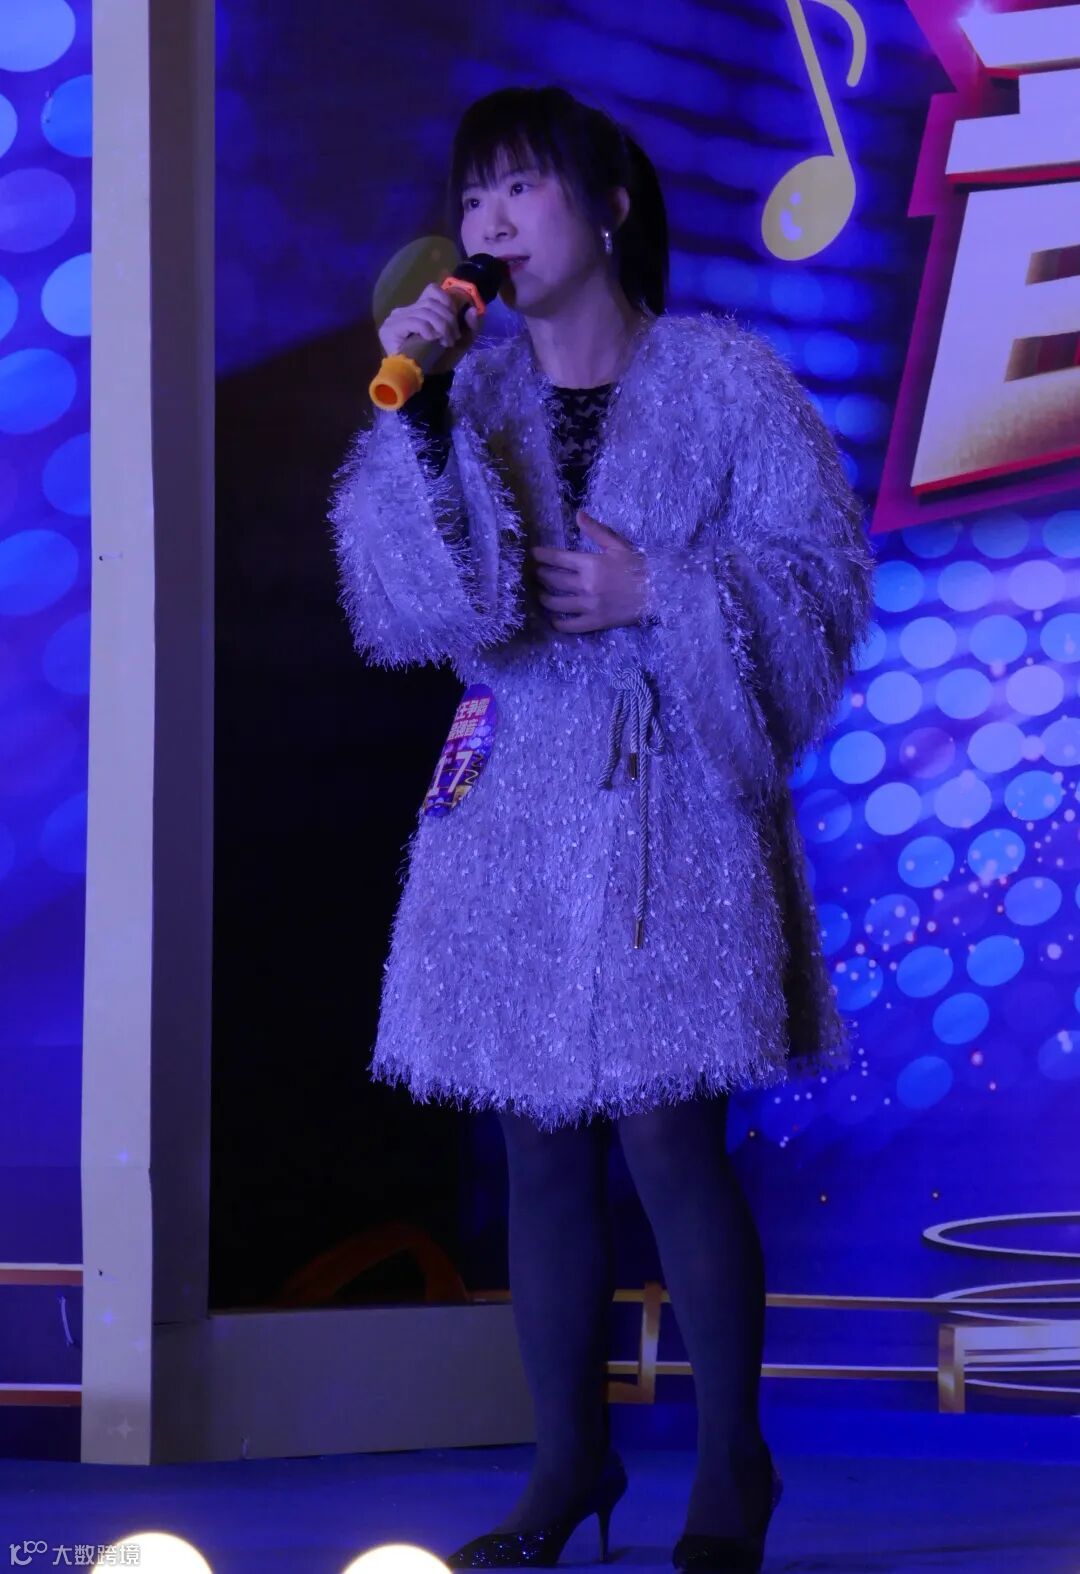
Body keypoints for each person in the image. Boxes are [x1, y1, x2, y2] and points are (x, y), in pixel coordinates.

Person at [329, 85, 876, 1574]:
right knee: (536, 1141)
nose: (492, 222)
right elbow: (418, 611)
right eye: (475, 197)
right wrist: (422, 423)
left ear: (611, 206)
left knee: (667, 1132)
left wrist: (665, 593)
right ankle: (567, 1467)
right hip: (514, 802)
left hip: (672, 796)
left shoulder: (727, 381)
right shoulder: (469, 386)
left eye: (521, 189)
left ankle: (732, 1467)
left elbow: (823, 586)